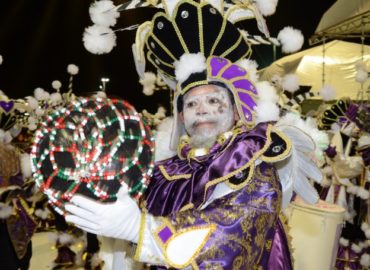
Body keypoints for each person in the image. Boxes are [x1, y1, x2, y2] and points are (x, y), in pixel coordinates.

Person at [66, 0, 325, 268]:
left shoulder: (252, 163)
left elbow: (227, 242)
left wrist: (140, 230)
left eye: (214, 101)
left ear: (237, 112)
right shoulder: (165, 173)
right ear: (181, 117)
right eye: (191, 104)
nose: (201, 110)